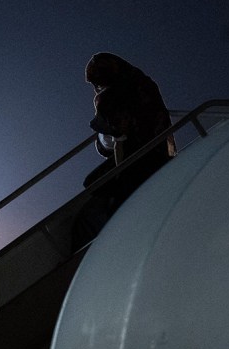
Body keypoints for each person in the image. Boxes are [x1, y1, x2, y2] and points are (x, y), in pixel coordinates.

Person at [73, 53, 177, 248]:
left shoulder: (109, 99)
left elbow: (113, 143)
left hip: (139, 159)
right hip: (161, 151)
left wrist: (119, 168)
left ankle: (120, 239)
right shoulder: (144, 83)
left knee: (94, 184)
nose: (96, 86)